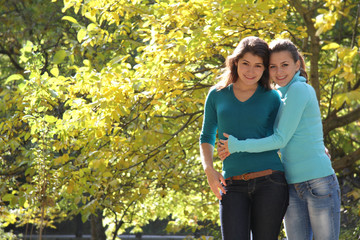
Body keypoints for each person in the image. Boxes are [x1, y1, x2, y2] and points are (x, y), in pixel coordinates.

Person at [218, 39, 341, 240]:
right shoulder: (278, 96)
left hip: (318, 182)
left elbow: (280, 139)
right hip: (292, 183)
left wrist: (237, 146)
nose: (279, 72)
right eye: (273, 66)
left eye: (285, 65)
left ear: (297, 65)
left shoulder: (299, 90)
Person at [199, 36, 289, 240]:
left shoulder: (272, 97)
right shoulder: (217, 94)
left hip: (270, 182)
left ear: (265, 68)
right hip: (232, 184)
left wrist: (318, 149)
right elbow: (206, 135)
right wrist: (209, 170)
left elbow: (284, 136)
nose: (251, 71)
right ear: (235, 62)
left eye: (258, 66)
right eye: (246, 63)